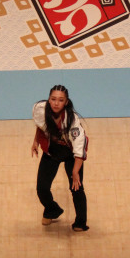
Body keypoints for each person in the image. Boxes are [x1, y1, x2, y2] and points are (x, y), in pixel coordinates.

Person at [31, 85, 88, 232]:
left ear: (66, 102)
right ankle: (52, 209)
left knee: (76, 188)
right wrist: (36, 141)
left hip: (71, 154)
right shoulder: (40, 109)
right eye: (53, 99)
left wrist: (75, 172)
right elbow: (41, 125)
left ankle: (80, 222)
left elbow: (79, 148)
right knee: (42, 188)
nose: (56, 103)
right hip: (51, 152)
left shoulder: (72, 121)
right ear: (49, 99)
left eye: (61, 100)